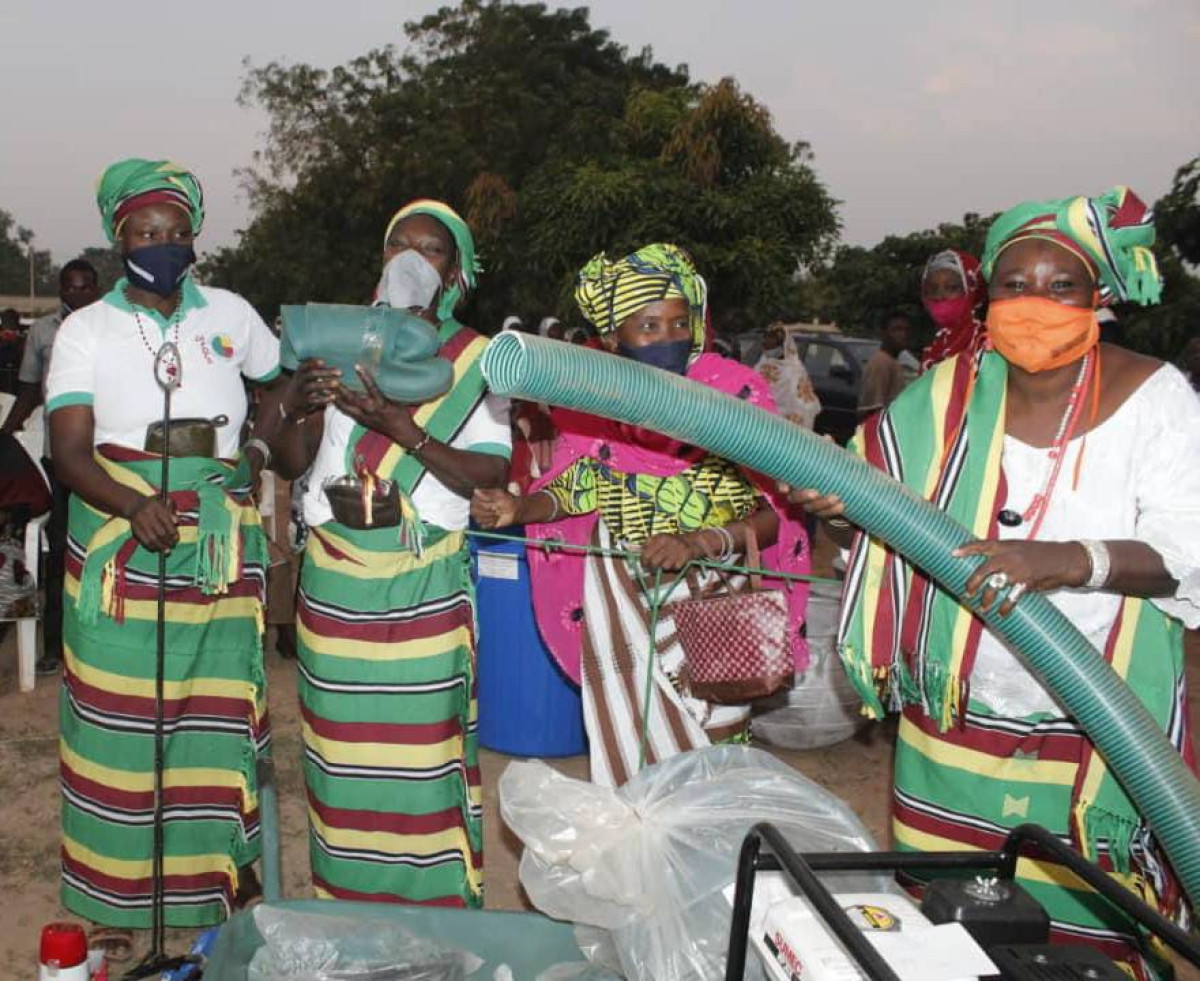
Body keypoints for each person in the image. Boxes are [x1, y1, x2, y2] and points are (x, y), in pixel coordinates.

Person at [791, 188, 1199, 978]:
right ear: (988, 298)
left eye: (1061, 285)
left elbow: (1187, 548)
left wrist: (1067, 558)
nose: (1034, 302)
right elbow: (874, 521)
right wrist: (835, 507)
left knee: (1082, 943)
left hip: (1095, 724)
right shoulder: (940, 397)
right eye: (1015, 284)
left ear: (1099, 296)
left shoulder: (1156, 398)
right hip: (954, 718)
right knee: (949, 924)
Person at [45, 158, 283, 929]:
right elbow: (68, 452)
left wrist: (258, 450)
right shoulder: (86, 329)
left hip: (214, 549)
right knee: (117, 719)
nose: (164, 243)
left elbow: (282, 383)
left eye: (177, 231)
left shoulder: (232, 314)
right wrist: (133, 501)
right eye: (147, 232)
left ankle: (216, 876)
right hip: (120, 546)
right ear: (121, 238)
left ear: (195, 237)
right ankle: (115, 893)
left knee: (214, 714)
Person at [472, 243, 810, 787]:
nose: (669, 338)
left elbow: (772, 516)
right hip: (624, 604)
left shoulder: (732, 396)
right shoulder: (597, 405)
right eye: (649, 326)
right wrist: (519, 507)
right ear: (613, 338)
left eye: (679, 323)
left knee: (719, 743)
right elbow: (573, 492)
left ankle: (715, 837)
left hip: (715, 600)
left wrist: (699, 543)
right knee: (631, 742)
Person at [272, 199, 509, 908]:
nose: (411, 260)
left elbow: (489, 472)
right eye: (398, 245)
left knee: (422, 759)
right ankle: (346, 909)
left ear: (455, 273)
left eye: (430, 249)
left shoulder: (477, 359)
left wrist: (402, 430)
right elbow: (292, 461)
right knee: (340, 754)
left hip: (423, 586)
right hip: (335, 584)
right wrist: (297, 402)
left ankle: (437, 918)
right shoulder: (340, 339)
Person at [2, 259, 101, 674]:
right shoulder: (43, 332)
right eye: (70, 287)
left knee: (105, 545)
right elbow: (29, 391)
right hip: (60, 457)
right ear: (61, 290)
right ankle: (55, 646)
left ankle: (102, 639)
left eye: (84, 287)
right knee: (59, 551)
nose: (77, 294)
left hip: (107, 455)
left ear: (96, 289)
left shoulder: (112, 326)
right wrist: (6, 432)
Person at [918, 249, 987, 370]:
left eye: (951, 288)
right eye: (933, 289)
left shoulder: (983, 341)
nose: (940, 296)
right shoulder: (934, 347)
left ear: (970, 290)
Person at [755, 323, 821, 430]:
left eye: (772, 345)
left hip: (785, 424)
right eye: (766, 345)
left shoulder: (795, 369)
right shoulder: (761, 365)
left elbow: (802, 403)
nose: (767, 348)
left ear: (783, 346)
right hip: (761, 420)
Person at [858, 311, 913, 416]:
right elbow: (871, 409)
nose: (903, 335)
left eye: (906, 330)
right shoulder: (880, 363)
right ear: (883, 333)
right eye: (896, 330)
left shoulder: (894, 363)